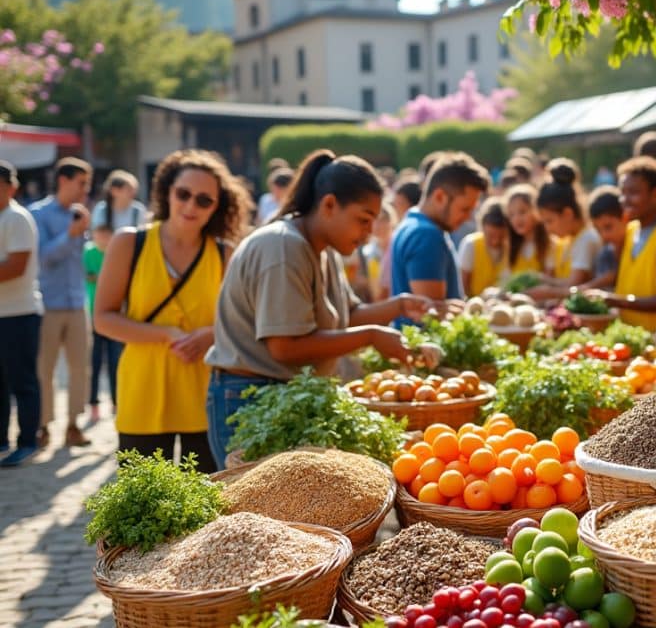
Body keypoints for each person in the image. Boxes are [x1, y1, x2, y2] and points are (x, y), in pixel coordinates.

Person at [205, 150, 444, 467]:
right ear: (329, 204)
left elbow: (348, 317)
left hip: (288, 397)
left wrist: (400, 305)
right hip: (249, 397)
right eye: (363, 219)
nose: (369, 232)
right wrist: (372, 336)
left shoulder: (324, 249)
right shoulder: (283, 247)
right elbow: (284, 346)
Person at [93, 150, 250, 472]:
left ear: (217, 206)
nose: (191, 206)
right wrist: (167, 334)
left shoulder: (224, 254)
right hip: (143, 390)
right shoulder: (129, 243)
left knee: (206, 504)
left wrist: (209, 334)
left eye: (204, 200)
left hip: (206, 395)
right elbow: (103, 319)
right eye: (184, 194)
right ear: (167, 192)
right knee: (144, 508)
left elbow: (242, 323)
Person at [30, 157, 93, 448]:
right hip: (48, 303)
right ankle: (43, 425)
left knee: (80, 367)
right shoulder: (38, 214)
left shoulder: (80, 214)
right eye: (82, 183)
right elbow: (43, 258)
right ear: (63, 180)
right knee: (46, 368)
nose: (86, 190)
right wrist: (70, 234)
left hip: (77, 302)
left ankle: (73, 424)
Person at [391, 152, 491, 321]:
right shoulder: (426, 235)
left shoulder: (412, 221)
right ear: (439, 197)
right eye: (464, 209)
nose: (468, 218)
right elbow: (432, 318)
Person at [591, 157, 656, 330]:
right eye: (622, 193)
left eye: (633, 193)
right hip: (627, 337)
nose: (625, 200)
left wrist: (613, 300)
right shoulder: (631, 230)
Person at [0, 161, 44, 467]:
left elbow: (16, 267)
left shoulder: (16, 218)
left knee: (22, 381)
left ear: (11, 187)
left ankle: (28, 441)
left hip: (19, 313)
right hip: (5, 313)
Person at [525, 160, 603, 298]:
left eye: (550, 221)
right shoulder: (566, 240)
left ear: (567, 213)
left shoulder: (587, 239)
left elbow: (573, 286)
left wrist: (546, 291)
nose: (547, 229)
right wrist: (541, 279)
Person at [84, 224, 121, 423]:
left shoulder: (116, 253)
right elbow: (88, 276)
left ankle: (116, 402)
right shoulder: (87, 252)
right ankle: (93, 404)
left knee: (115, 362)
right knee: (95, 363)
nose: (103, 238)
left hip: (114, 316)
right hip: (92, 314)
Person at [502, 184, 554, 284]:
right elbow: (506, 280)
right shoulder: (511, 247)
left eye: (522, 212)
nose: (516, 219)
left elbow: (549, 280)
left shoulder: (549, 244)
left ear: (536, 211)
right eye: (511, 215)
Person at [459, 198, 508, 297]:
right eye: (491, 235)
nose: (496, 241)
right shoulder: (471, 244)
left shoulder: (511, 247)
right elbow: (463, 286)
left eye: (501, 236)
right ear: (482, 227)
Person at [581, 186, 627, 290]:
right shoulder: (605, 254)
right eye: (598, 230)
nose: (604, 235)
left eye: (608, 227)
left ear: (625, 218)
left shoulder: (638, 247)